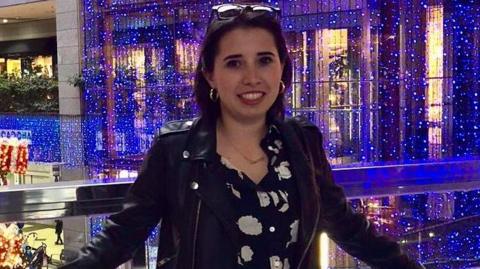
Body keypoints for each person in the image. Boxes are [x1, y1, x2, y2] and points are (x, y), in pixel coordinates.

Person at [60, 3, 424, 269]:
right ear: (209, 74)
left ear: (282, 66)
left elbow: (348, 228)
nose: (252, 77)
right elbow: (121, 237)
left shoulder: (302, 142)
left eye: (264, 60)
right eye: (234, 63)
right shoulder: (176, 149)